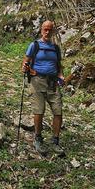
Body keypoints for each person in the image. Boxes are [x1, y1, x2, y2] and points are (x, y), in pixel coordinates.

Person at [22, 20, 65, 156]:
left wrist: (61, 76)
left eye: (49, 29)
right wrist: (24, 68)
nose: (47, 32)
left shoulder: (56, 48)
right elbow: (25, 62)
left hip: (53, 83)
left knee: (58, 111)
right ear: (41, 30)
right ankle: (38, 138)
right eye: (45, 29)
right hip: (37, 81)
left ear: (53, 31)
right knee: (39, 111)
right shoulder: (34, 45)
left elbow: (59, 66)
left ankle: (55, 141)